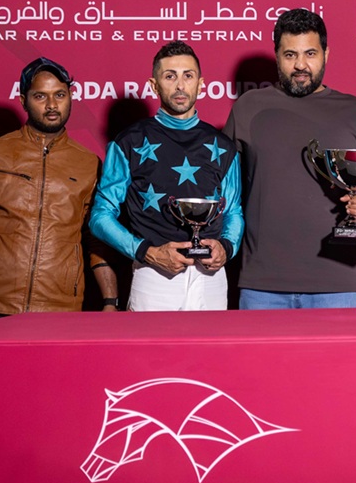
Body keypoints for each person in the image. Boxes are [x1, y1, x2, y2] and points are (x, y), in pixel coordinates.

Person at [0, 57, 119, 321]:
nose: (52, 105)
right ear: (23, 101)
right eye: (40, 96)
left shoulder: (89, 163)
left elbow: (96, 237)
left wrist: (110, 299)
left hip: (62, 306)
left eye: (60, 95)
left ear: (70, 97)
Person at [223, 8, 356, 309]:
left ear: (326, 54)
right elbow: (225, 190)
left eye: (310, 53)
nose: (300, 65)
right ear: (276, 55)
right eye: (290, 55)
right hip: (262, 283)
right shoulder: (248, 108)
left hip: (336, 282)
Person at [90, 41, 243, 311]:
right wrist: (146, 252)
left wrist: (227, 247)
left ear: (201, 84)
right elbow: (100, 216)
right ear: (154, 85)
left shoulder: (223, 145)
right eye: (170, 76)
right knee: (150, 343)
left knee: (214, 342)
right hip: (154, 275)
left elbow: (234, 212)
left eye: (188, 76)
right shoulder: (128, 142)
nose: (180, 85)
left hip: (211, 279)